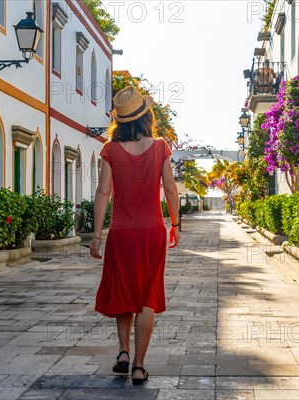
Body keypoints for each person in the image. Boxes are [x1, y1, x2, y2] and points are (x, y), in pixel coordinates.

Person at [89, 86, 180, 385]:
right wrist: (175, 224)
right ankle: (139, 366)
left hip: (121, 233)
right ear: (145, 117)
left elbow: (103, 192)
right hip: (152, 232)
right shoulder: (160, 147)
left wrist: (97, 235)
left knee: (123, 292)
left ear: (121, 120)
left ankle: (123, 353)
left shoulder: (110, 150)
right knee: (146, 298)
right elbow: (170, 188)